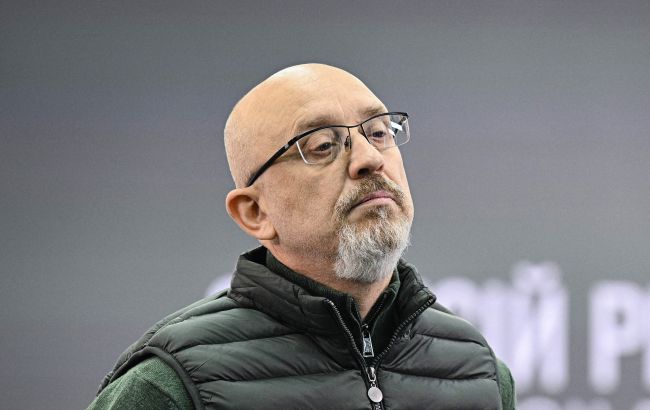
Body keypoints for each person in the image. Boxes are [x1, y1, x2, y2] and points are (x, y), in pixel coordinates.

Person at [88, 63, 515, 409]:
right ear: (255, 213)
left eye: (379, 132)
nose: (369, 158)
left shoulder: (479, 372)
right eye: (322, 145)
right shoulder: (171, 385)